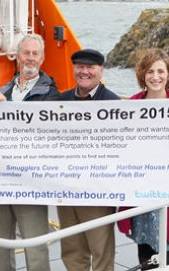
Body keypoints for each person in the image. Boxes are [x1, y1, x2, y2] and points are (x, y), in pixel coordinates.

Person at [0, 34, 60, 271]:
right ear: (18, 57)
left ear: (42, 58)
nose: (30, 58)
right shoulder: (1, 91)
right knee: (0, 243)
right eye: (26, 53)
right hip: (2, 178)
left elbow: (46, 127)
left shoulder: (51, 94)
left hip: (30, 180)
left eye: (35, 53)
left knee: (34, 245)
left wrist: (9, 107)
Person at [117, 48, 169, 270]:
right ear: (142, 75)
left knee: (166, 250)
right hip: (139, 188)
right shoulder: (131, 106)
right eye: (150, 71)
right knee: (144, 247)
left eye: (160, 71)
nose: (155, 77)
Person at [58, 49, 119, 271]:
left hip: (96, 190)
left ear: (100, 71)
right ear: (74, 69)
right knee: (71, 248)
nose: (84, 71)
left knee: (100, 249)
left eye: (90, 67)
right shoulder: (61, 100)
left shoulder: (112, 102)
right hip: (65, 188)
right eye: (80, 67)